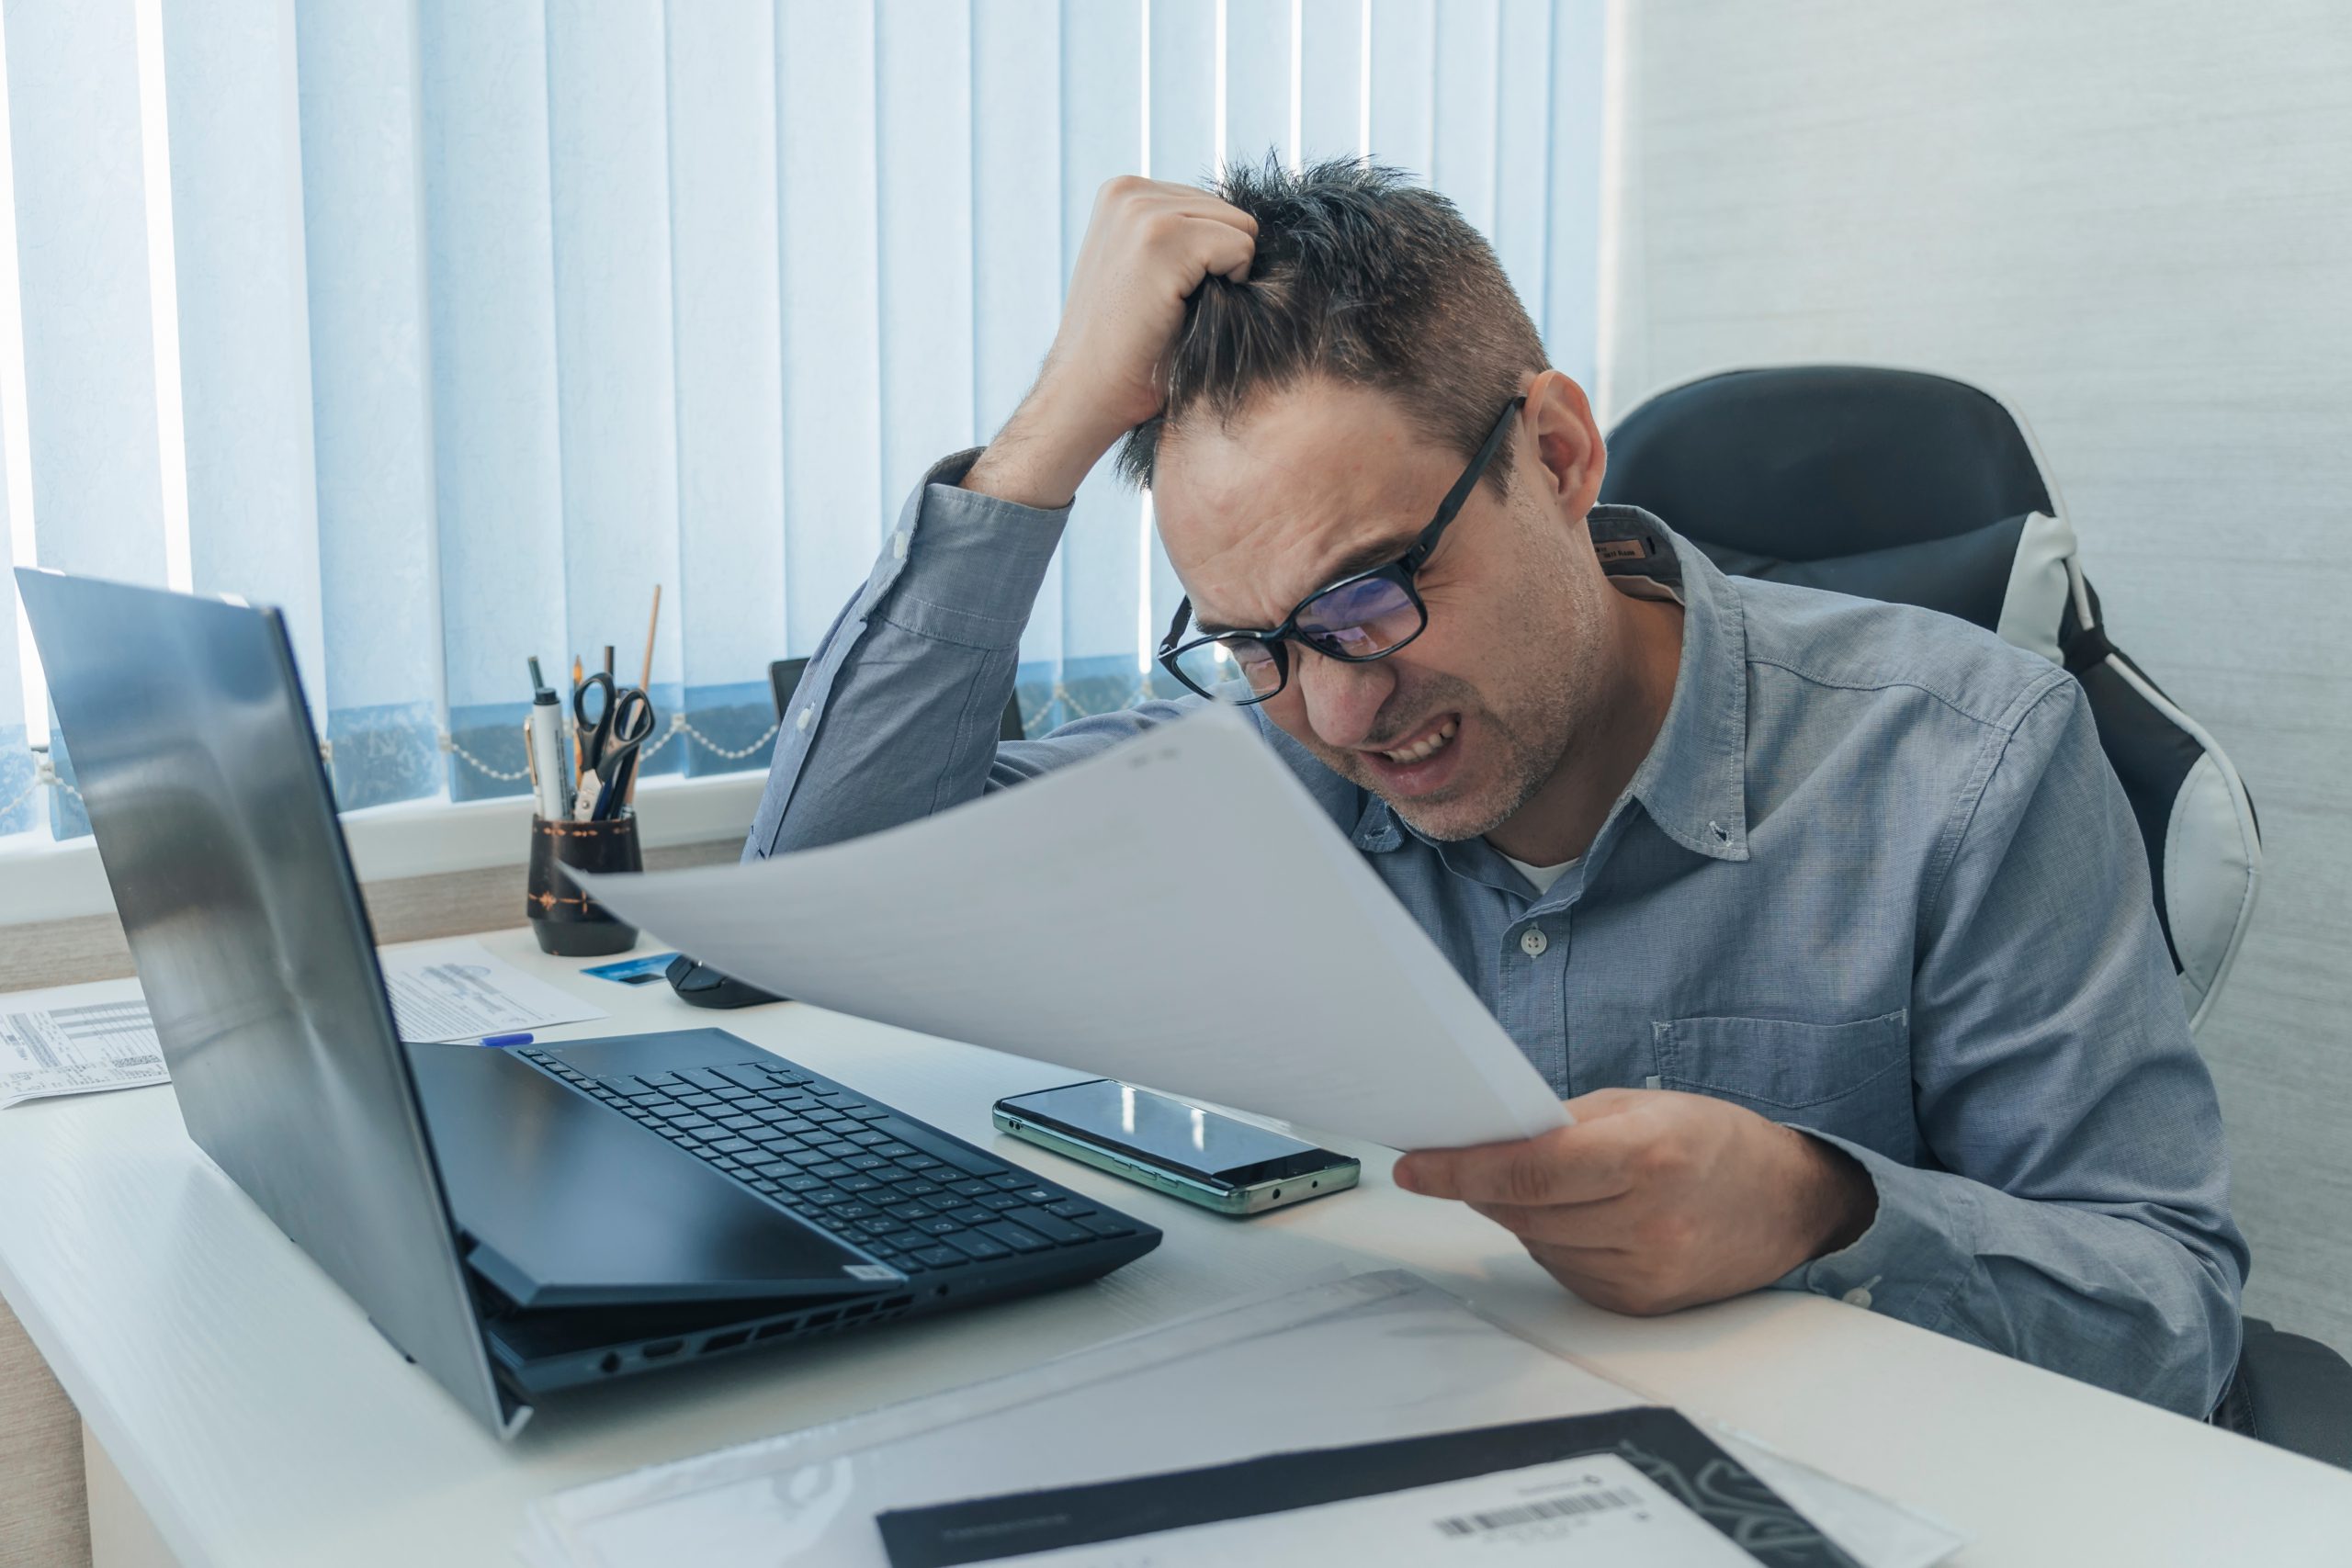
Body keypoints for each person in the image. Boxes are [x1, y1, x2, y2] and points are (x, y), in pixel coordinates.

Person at [744, 158, 2245, 1416]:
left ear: (1557, 453)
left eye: (1372, 595)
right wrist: (1048, 434)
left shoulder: (1969, 757)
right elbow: (814, 884)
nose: (1338, 704)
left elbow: (2172, 1313)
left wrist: (1823, 1207)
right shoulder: (1266, 749)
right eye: (1258, 641)